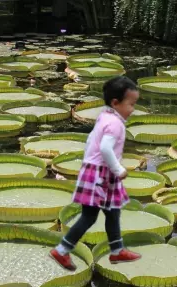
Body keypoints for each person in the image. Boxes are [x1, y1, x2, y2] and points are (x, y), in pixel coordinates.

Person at [50, 76, 142, 271]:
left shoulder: (105, 116)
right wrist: (118, 169)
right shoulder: (115, 124)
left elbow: (92, 139)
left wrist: (89, 164)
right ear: (116, 103)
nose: (133, 109)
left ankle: (117, 251)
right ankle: (62, 250)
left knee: (113, 212)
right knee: (89, 217)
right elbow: (106, 148)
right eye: (131, 104)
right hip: (102, 174)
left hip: (95, 171)